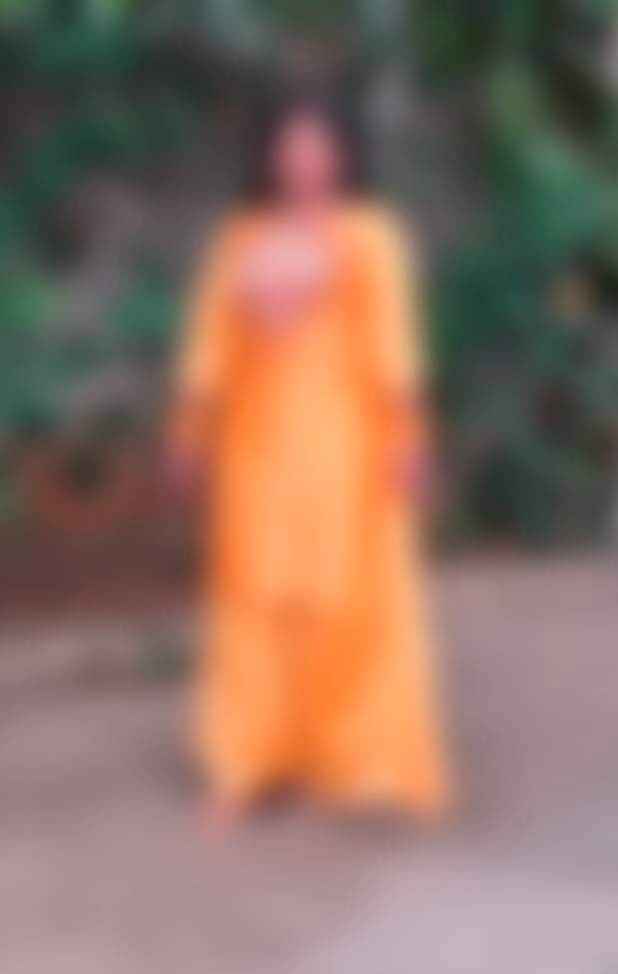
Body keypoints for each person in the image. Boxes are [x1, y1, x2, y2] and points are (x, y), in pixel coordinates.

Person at [168, 90, 455, 828]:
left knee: (351, 602)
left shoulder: (372, 236)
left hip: (347, 450)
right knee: (252, 601)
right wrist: (190, 430)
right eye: (291, 147)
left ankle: (360, 761)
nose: (304, 162)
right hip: (255, 450)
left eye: (318, 147)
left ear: (344, 154)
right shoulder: (239, 237)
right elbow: (210, 340)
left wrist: (410, 436)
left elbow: (394, 341)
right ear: (270, 155)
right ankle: (243, 765)